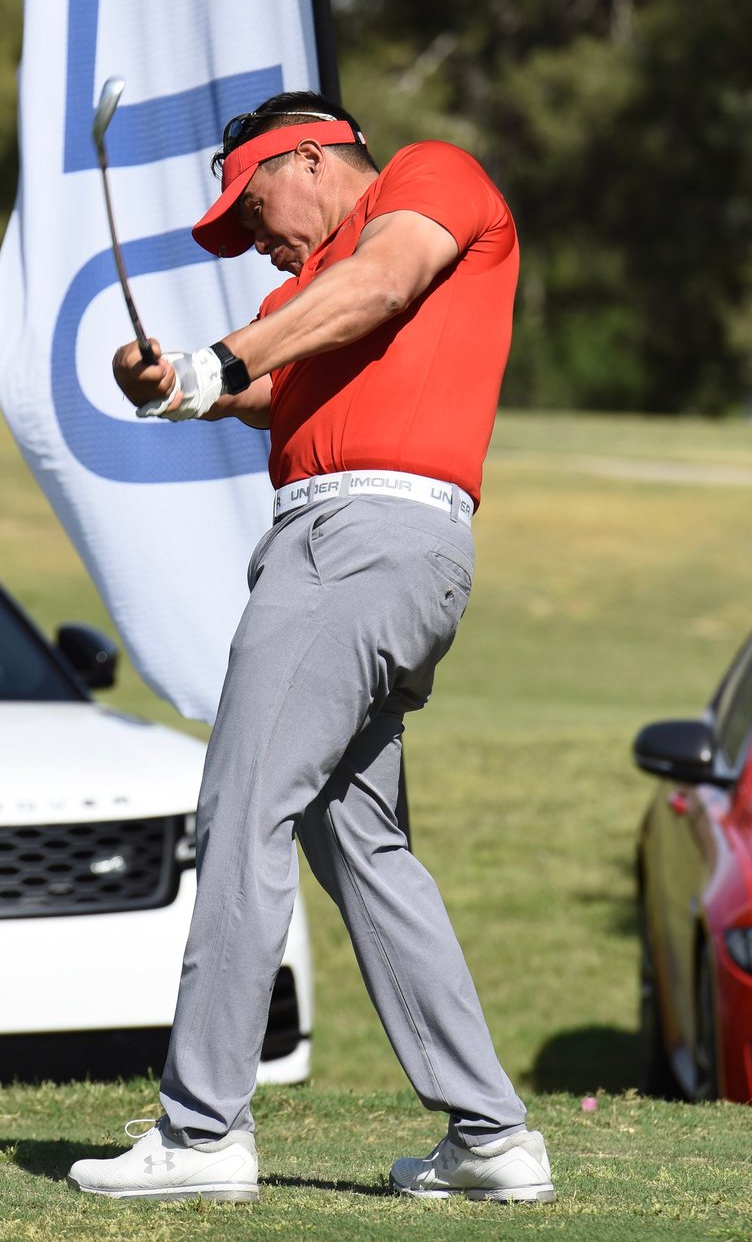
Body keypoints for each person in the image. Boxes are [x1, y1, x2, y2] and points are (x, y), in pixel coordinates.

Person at [68, 92, 555, 1205]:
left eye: (251, 205)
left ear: (309, 155)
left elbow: (377, 285)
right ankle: (490, 1135)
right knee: (360, 844)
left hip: (359, 542)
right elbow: (277, 379)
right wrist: (174, 385)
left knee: (241, 807)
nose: (253, 237)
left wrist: (216, 358)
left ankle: (200, 1132)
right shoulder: (305, 291)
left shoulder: (425, 179)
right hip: (363, 550)